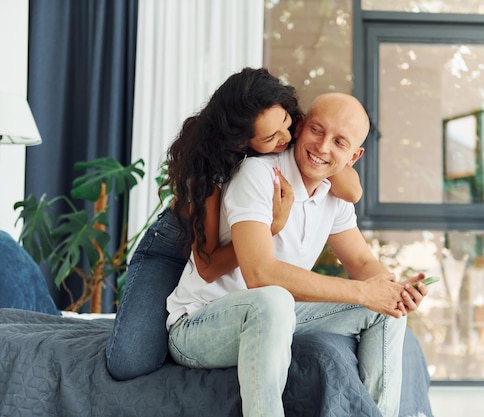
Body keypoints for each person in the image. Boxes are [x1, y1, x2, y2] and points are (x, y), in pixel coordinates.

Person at [165, 92, 429, 417]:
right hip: (200, 325)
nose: (322, 147)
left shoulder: (335, 195)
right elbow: (260, 273)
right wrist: (362, 291)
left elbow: (361, 262)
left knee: (386, 311)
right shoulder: (259, 175)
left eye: (339, 142)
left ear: (354, 156)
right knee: (274, 299)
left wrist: (393, 290)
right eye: (317, 130)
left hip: (276, 318)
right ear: (301, 126)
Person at [105, 68, 361, 381]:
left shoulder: (296, 137)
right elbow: (209, 267)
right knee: (130, 362)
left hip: (219, 259)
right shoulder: (209, 175)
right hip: (175, 247)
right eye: (270, 138)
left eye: (287, 123)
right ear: (243, 142)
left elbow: (352, 190)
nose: (287, 138)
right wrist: (273, 226)